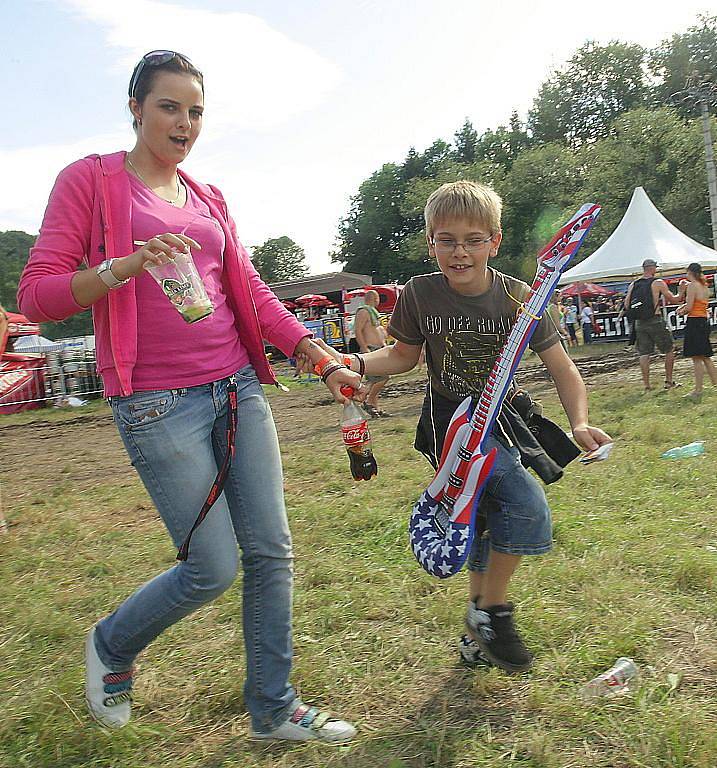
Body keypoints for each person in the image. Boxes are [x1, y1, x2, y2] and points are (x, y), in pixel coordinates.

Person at [17, 50, 360, 744]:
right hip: (155, 401)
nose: (183, 122)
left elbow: (253, 294)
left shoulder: (208, 199)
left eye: (195, 110)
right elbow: (39, 295)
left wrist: (315, 353)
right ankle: (113, 644)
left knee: (271, 551)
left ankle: (272, 708)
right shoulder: (91, 181)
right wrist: (122, 266)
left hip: (235, 386)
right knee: (211, 568)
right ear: (136, 108)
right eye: (169, 106)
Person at [307, 181, 611, 672]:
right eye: (446, 239)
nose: (460, 251)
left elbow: (563, 367)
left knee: (494, 515)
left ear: (494, 241)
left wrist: (580, 422)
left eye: (473, 239)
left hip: (504, 420)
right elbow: (403, 357)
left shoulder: (520, 298)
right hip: (449, 426)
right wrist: (355, 362)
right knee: (516, 507)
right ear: (431, 243)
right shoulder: (421, 294)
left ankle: (477, 624)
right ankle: (492, 612)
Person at [619, 259, 682, 391]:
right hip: (655, 319)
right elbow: (674, 299)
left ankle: (647, 386)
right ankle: (669, 381)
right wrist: (682, 291)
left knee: (644, 354)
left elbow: (626, 305)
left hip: (639, 323)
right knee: (669, 349)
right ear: (652, 268)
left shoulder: (634, 284)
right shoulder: (657, 282)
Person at [678, 262, 717, 402]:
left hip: (695, 322)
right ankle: (715, 383)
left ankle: (698, 390)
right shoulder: (704, 285)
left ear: (690, 272)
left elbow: (689, 307)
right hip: (703, 320)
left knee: (696, 357)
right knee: (706, 356)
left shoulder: (692, 286)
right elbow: (698, 303)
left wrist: (681, 310)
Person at [354, 289, 391, 417]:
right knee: (382, 378)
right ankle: (368, 401)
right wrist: (364, 348)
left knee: (376, 380)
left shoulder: (374, 313)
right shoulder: (364, 312)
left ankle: (375, 409)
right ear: (376, 299)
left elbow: (379, 331)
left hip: (377, 348)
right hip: (370, 349)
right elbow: (357, 330)